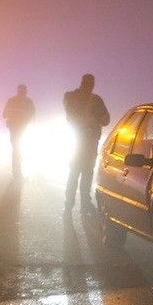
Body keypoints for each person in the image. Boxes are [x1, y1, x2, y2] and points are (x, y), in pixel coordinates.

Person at [63, 73, 110, 213]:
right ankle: (85, 204)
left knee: (75, 171)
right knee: (87, 172)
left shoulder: (70, 97)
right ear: (92, 84)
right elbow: (106, 120)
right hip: (89, 141)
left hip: (76, 140)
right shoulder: (95, 100)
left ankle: (69, 203)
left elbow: (70, 114)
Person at [3, 84, 35, 177]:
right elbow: (32, 113)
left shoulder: (11, 100)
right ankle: (17, 167)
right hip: (21, 127)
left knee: (16, 146)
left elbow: (4, 114)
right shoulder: (28, 102)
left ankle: (16, 168)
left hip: (13, 128)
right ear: (25, 91)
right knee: (17, 146)